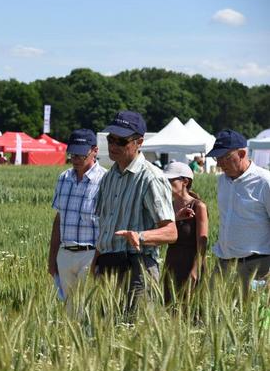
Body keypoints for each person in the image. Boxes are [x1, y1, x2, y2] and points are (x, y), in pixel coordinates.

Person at [92, 111, 177, 309]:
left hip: (138, 267)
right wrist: (96, 265)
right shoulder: (108, 178)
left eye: (121, 141)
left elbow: (171, 232)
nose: (113, 146)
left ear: (139, 142)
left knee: (133, 332)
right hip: (108, 265)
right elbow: (104, 228)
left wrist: (140, 236)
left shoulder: (151, 177)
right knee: (106, 333)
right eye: (110, 139)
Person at [207, 129, 270, 292]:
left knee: (250, 317)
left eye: (224, 158)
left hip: (257, 266)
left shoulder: (264, 182)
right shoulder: (222, 181)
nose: (219, 164)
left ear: (242, 153)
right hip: (224, 263)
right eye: (217, 158)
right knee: (214, 314)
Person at [47, 129, 107, 301]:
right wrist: (52, 260)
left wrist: (98, 260)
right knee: (69, 312)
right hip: (64, 254)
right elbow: (59, 220)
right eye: (72, 155)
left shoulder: (106, 180)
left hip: (90, 254)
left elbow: (108, 224)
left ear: (95, 151)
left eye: (81, 155)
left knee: (88, 309)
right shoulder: (63, 178)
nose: (75, 160)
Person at [162, 162, 208, 302]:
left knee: (192, 313)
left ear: (185, 182)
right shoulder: (167, 205)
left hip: (191, 263)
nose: (165, 184)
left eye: (170, 180)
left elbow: (202, 242)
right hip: (171, 264)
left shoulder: (198, 206)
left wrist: (195, 271)